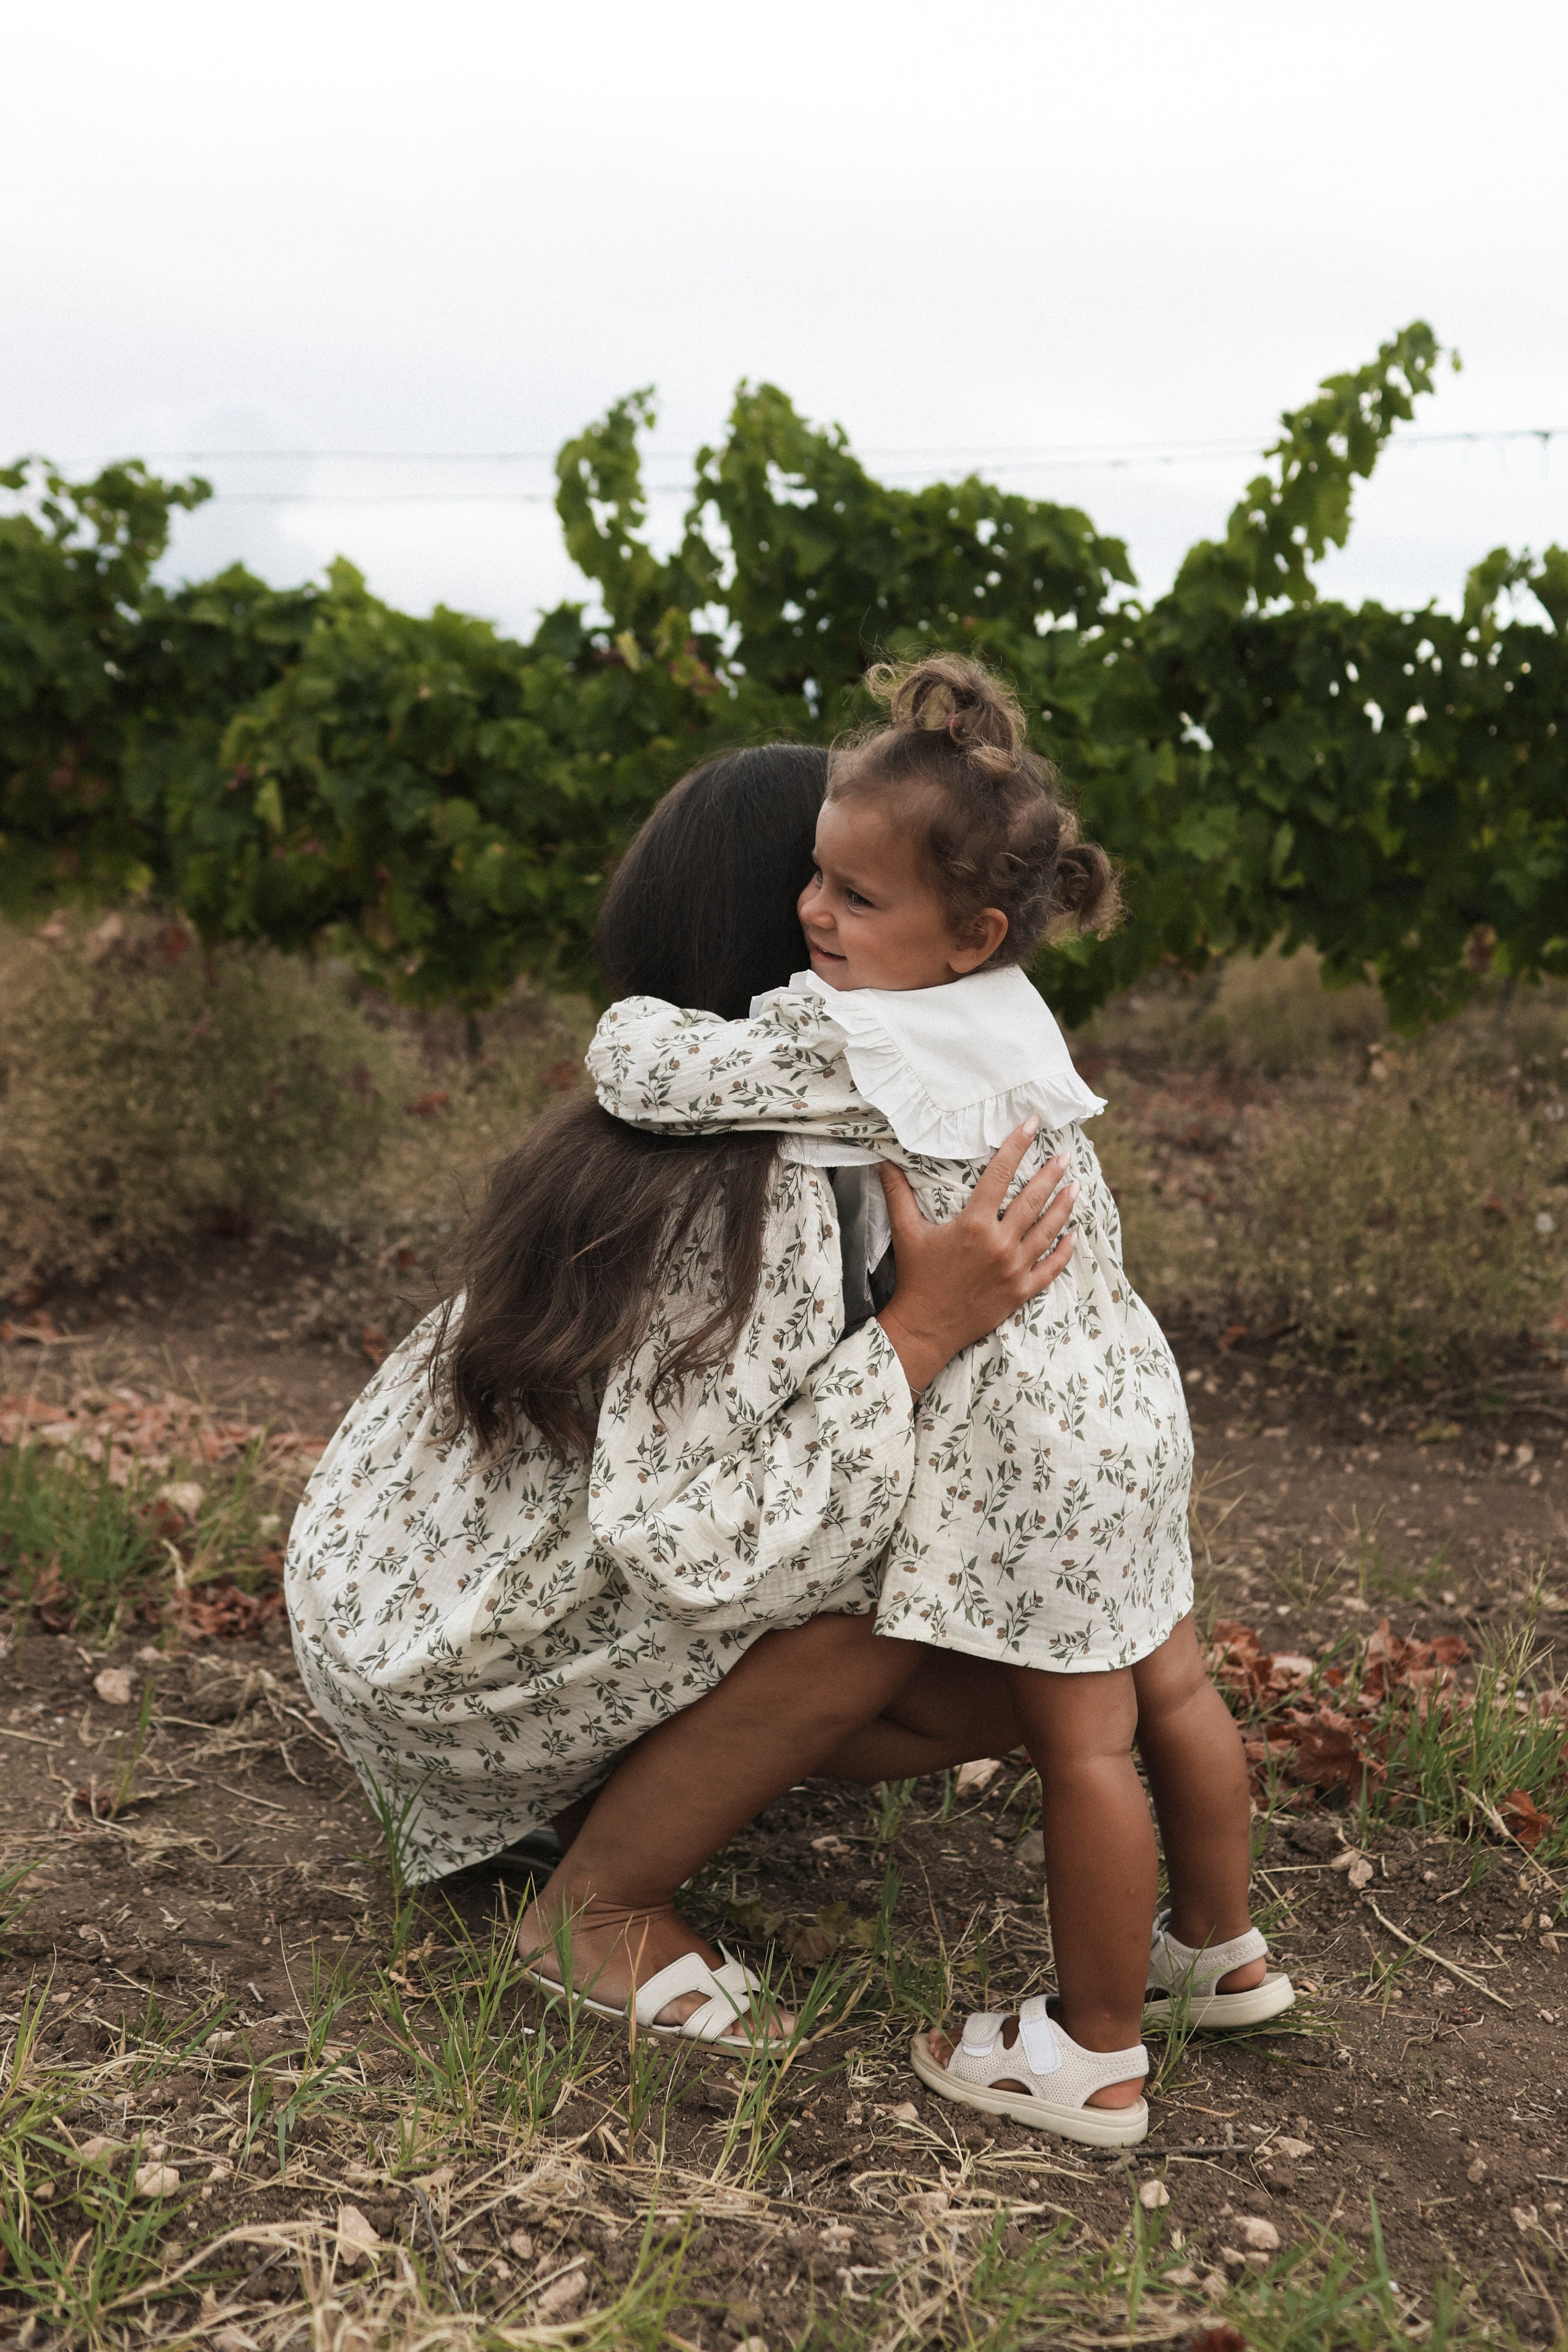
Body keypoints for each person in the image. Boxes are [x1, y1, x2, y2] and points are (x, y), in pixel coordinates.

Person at [589, 655, 1294, 2139]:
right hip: (1127, 1401)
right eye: (812, 879)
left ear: (966, 930)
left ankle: (1092, 2051)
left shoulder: (859, 1041)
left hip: (1029, 1448)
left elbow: (650, 1072)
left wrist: (628, 1018)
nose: (810, 913)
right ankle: (1218, 1951)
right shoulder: (1005, 1014)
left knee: (1083, 1742)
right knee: (1173, 1687)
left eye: (852, 896)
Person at [285, 741, 1077, 2052]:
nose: (837, 908)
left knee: (990, 1633)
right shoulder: (757, 1185)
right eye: (828, 884)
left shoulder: (648, 1119)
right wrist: (924, 1332)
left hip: (391, 1613)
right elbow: (700, 1540)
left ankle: (588, 1792)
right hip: (446, 1665)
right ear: (789, 923)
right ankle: (596, 1907)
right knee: (913, 1588)